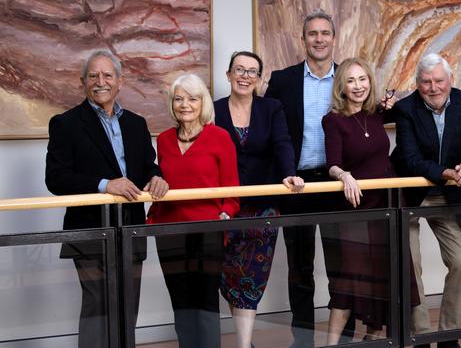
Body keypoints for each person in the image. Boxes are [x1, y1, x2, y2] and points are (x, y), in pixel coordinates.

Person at [45, 50, 169, 348]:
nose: (100, 81)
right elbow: (56, 179)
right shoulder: (66, 123)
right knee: (97, 308)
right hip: (89, 230)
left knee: (128, 306)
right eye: (93, 76)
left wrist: (157, 176)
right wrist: (104, 185)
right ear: (82, 82)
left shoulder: (136, 124)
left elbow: (147, 166)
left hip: (130, 229)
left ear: (120, 81)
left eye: (107, 75)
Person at [264, 9, 356, 347]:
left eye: (325, 33)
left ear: (334, 38)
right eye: (313, 34)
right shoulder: (282, 80)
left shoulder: (348, 78)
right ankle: (302, 339)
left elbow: (367, 118)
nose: (319, 39)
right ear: (303, 40)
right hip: (296, 185)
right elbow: (271, 133)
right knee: (299, 268)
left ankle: (342, 339)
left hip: (337, 184)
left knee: (341, 265)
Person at [391, 53, 461, 348]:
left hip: (448, 196)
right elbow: (409, 159)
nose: (433, 87)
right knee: (412, 266)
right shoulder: (405, 109)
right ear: (417, 84)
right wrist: (447, 172)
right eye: (426, 82)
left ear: (451, 80)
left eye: (439, 81)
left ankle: (448, 335)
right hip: (411, 196)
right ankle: (421, 336)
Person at [214, 51, 305, 348]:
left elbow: (283, 144)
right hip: (225, 205)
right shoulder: (212, 111)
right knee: (230, 275)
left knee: (252, 276)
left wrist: (290, 174)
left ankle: (243, 344)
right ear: (228, 75)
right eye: (239, 69)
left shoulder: (272, 108)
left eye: (252, 71)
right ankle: (245, 342)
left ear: (260, 79)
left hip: (263, 205)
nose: (245, 76)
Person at [146, 74, 240, 348]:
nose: (185, 104)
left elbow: (233, 191)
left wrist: (221, 218)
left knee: (206, 302)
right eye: (179, 99)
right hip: (170, 232)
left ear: (203, 103)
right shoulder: (163, 140)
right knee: (181, 303)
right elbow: (159, 182)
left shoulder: (219, 137)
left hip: (208, 232)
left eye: (192, 98)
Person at [321, 57, 401, 344]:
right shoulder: (333, 119)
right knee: (350, 277)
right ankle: (331, 344)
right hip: (354, 207)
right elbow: (332, 163)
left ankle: (373, 338)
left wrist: (389, 104)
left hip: (385, 206)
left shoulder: (377, 114)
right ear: (342, 86)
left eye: (363, 79)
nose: (358, 86)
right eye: (351, 80)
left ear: (370, 82)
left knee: (382, 275)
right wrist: (344, 175)